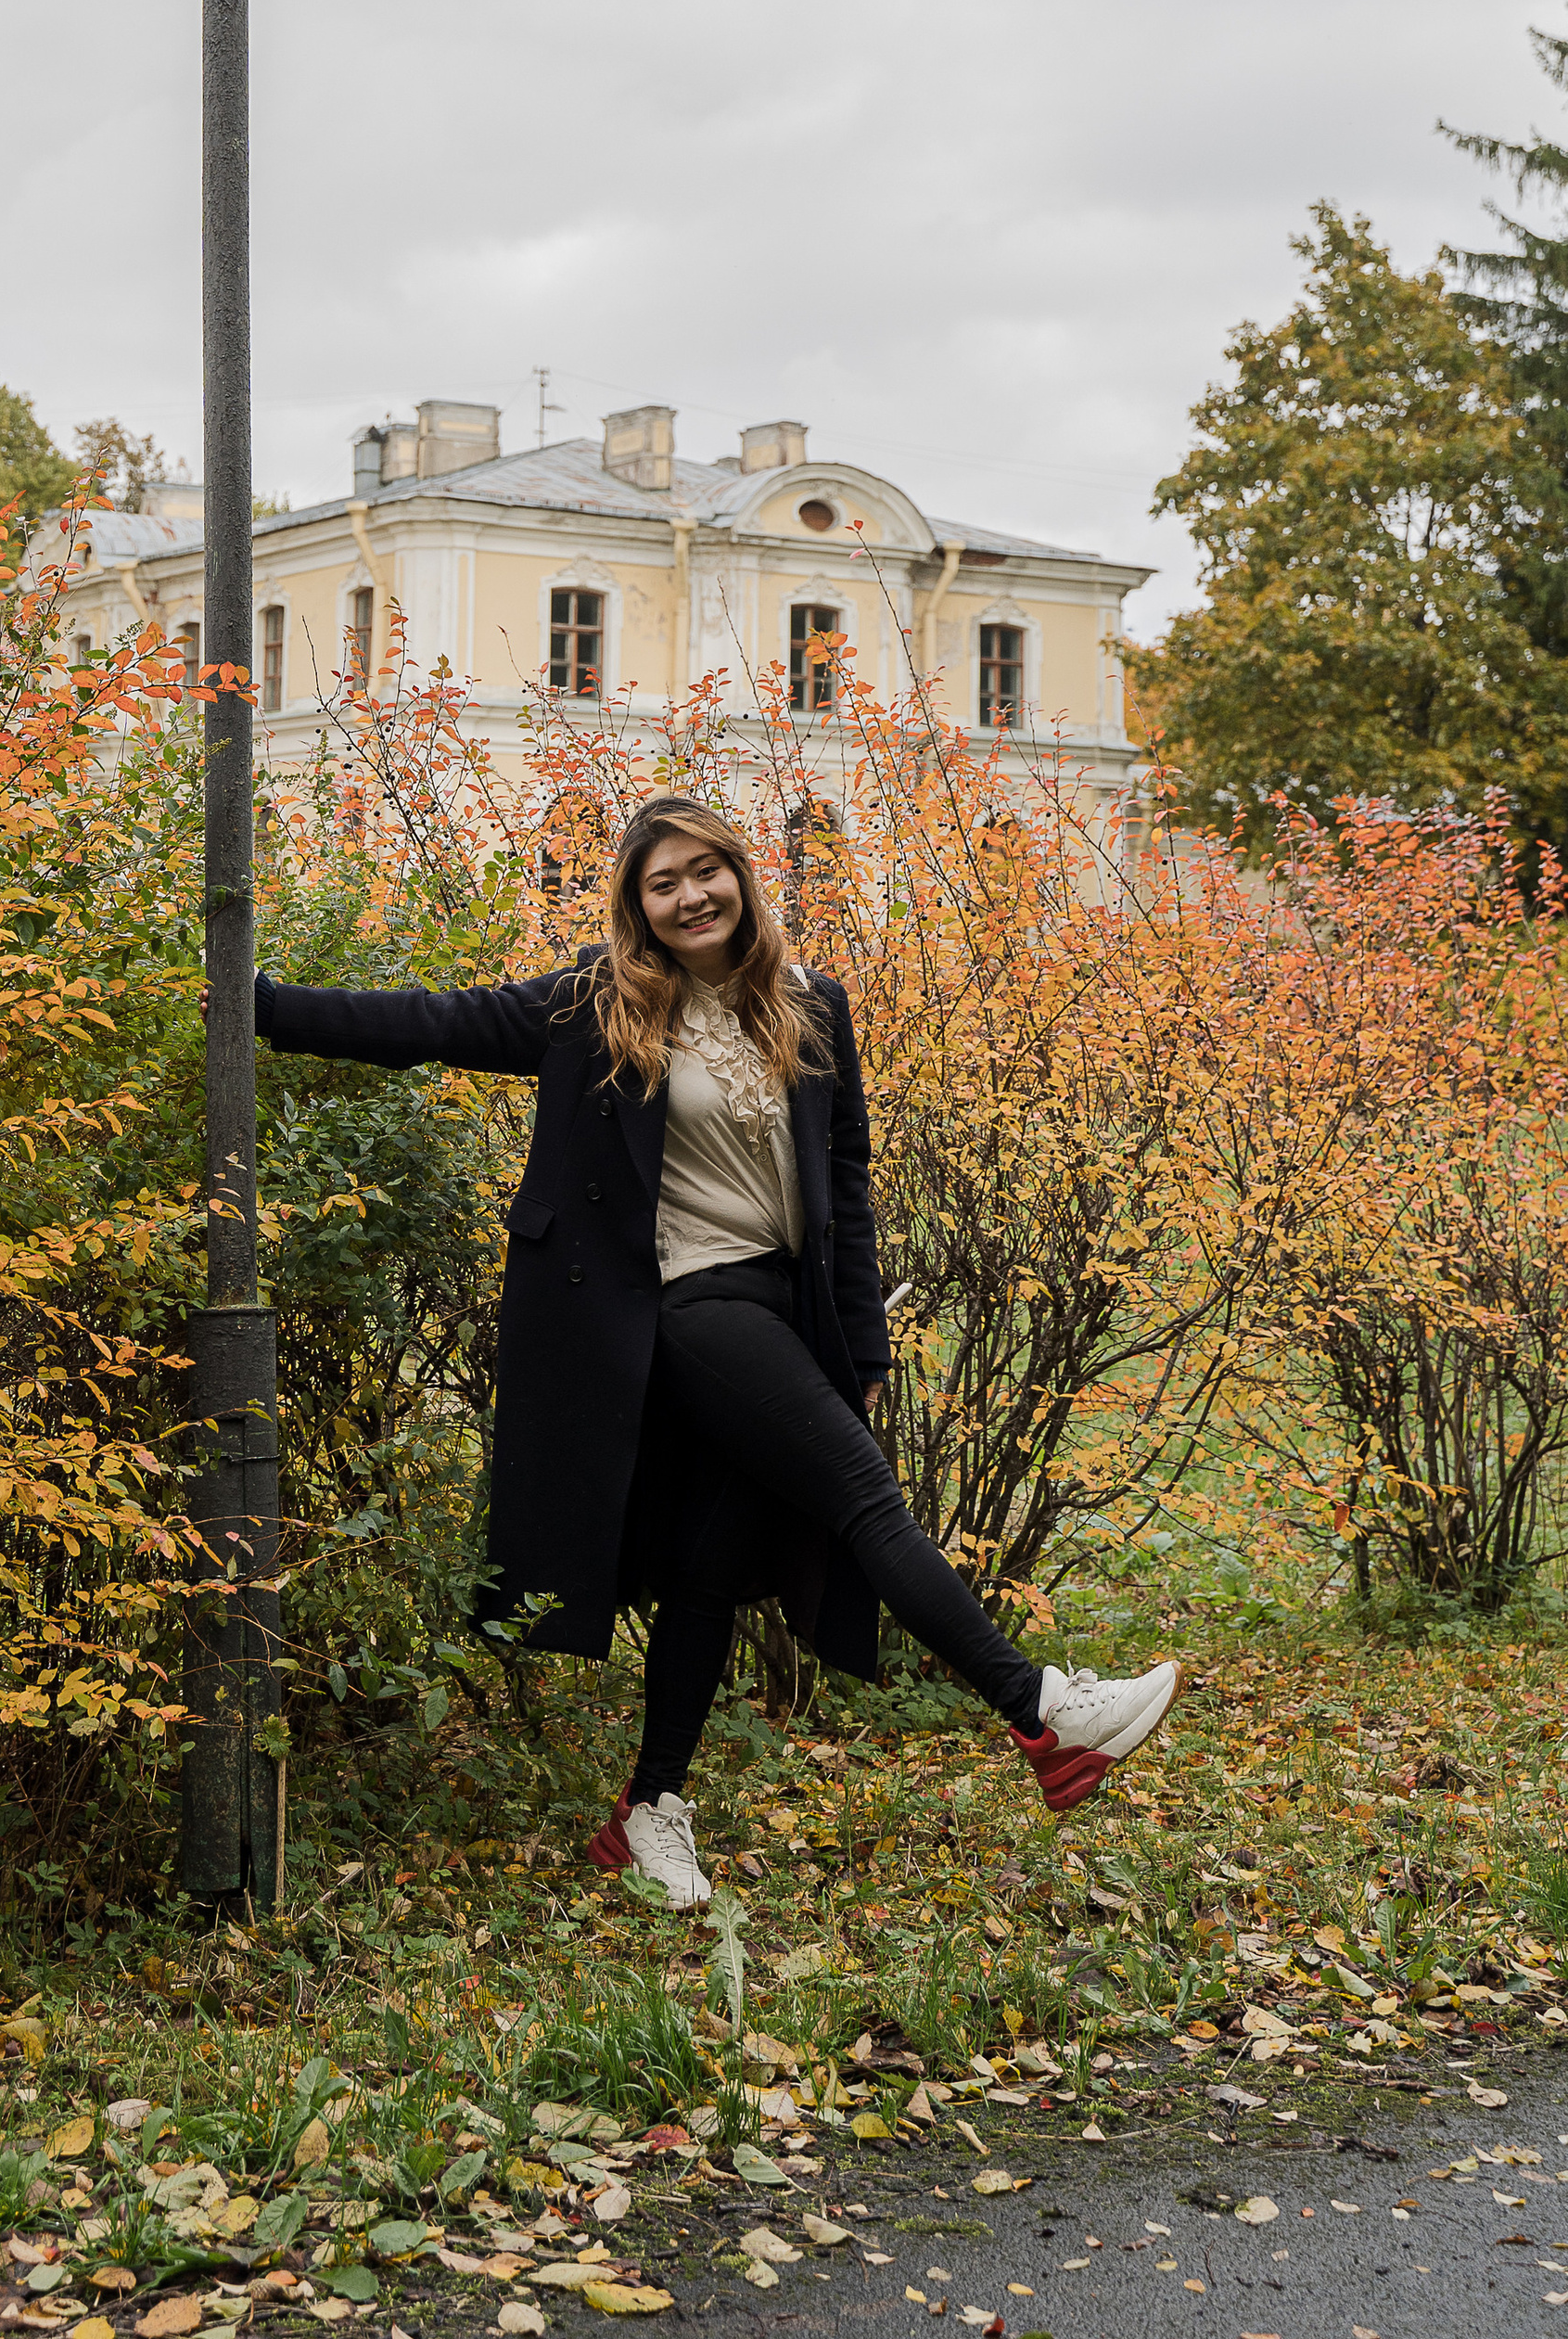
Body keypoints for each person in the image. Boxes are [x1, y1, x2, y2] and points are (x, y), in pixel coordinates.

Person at [252, 791, 1176, 1909]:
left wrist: (864, 1345)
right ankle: (1043, 1713)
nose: (690, 894)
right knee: (865, 1504)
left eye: (707, 870)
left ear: (743, 877)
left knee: (710, 1565)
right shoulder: (597, 1006)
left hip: (785, 1313)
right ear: (636, 905)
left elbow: (844, 1185)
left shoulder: (809, 1004)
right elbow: (431, 1022)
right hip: (684, 1308)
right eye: (662, 881)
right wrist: (255, 1005)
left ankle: (649, 1811)